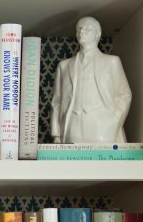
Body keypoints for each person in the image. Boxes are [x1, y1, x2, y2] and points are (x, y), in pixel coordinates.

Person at [50, 15, 132, 143]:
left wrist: (114, 120)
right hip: (72, 127)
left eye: (88, 29)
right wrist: (57, 134)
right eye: (79, 29)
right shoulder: (64, 66)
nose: (82, 31)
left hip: (103, 128)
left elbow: (124, 94)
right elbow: (57, 101)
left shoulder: (112, 62)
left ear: (97, 34)